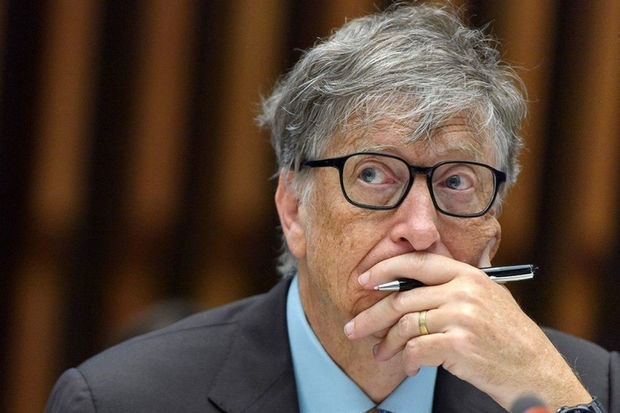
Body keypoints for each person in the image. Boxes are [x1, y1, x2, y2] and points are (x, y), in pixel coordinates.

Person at [46, 3, 618, 412]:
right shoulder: (121, 399)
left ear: (494, 225)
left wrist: (556, 402)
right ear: (294, 209)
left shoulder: (589, 388)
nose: (421, 230)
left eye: (456, 182)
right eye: (372, 174)